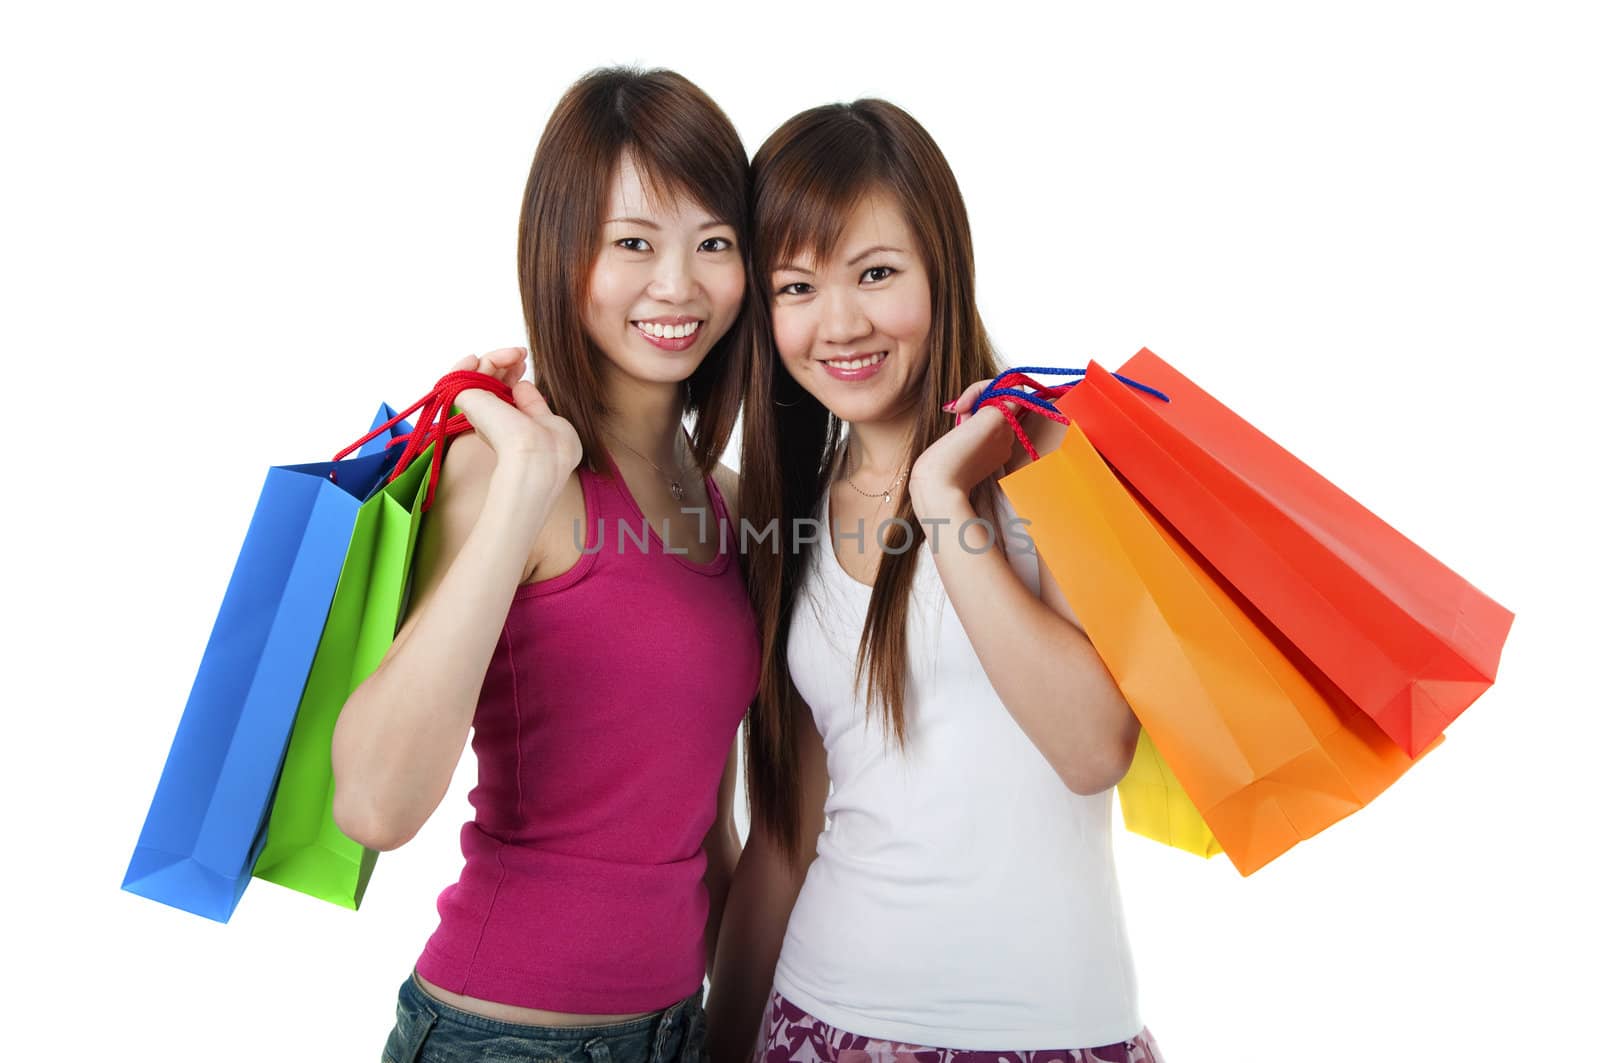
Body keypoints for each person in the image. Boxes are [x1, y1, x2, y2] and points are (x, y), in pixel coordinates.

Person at [707, 99, 1165, 1062]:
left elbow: (1094, 747)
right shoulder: (792, 509)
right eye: (796, 287)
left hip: (1056, 1034)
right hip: (820, 1020)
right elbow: (786, 834)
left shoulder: (1055, 455)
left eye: (876, 273)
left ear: (940, 268)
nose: (840, 323)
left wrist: (942, 499)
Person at [330, 67, 758, 1063]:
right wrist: (527, 482)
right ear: (563, 255)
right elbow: (375, 808)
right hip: (501, 1035)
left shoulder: (729, 500)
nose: (677, 286)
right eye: (632, 243)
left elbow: (710, 832)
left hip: (680, 1030)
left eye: (714, 244)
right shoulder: (500, 469)